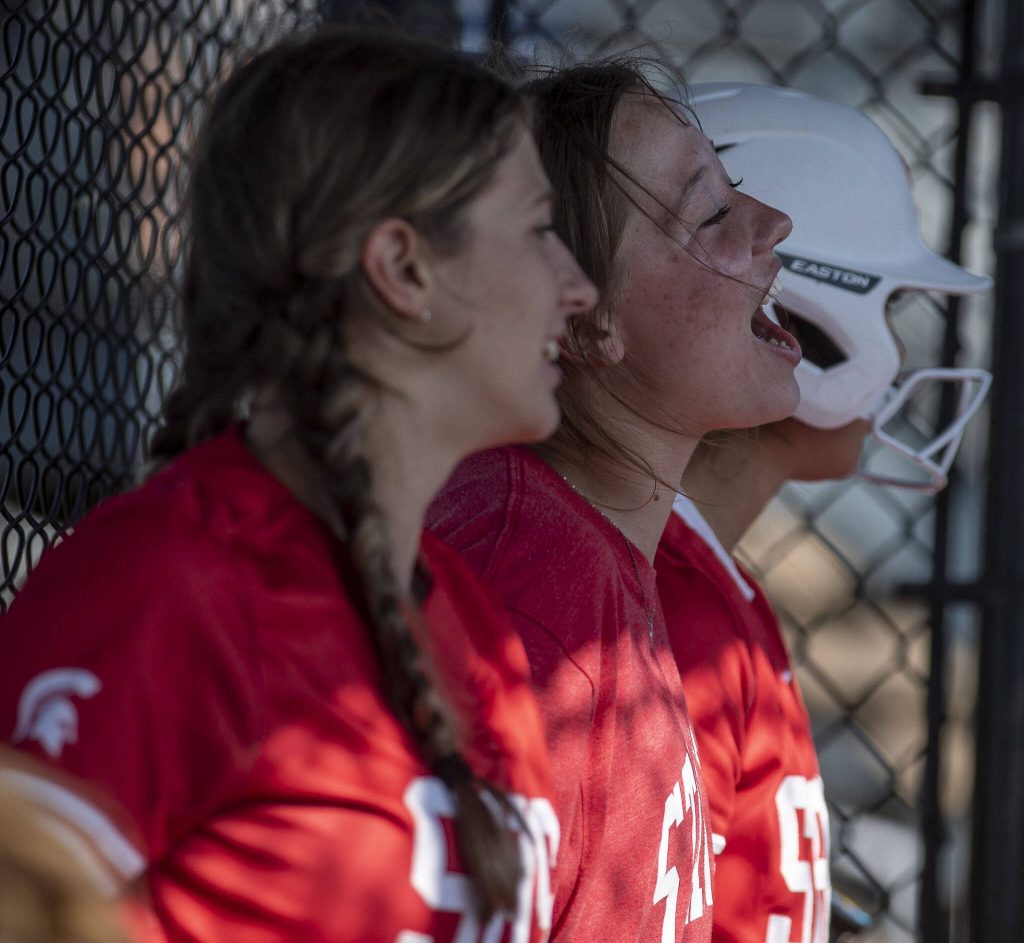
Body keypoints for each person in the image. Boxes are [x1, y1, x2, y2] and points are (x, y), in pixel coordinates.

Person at [0, 26, 597, 943]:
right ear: (403, 267)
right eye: (538, 229)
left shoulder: (470, 624)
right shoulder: (168, 588)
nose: (578, 286)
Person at [428, 60, 801, 942]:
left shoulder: (596, 555)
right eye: (711, 213)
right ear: (584, 317)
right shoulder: (530, 578)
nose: (773, 223)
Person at [655, 82, 991, 943]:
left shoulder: (719, 583)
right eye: (891, 305)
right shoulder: (667, 609)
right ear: (790, 316)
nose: (907, 354)